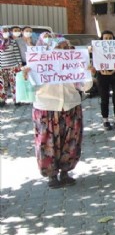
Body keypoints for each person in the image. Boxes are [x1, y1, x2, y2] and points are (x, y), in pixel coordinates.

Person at [23, 37, 93, 188]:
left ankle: (66, 172)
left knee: (71, 140)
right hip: (46, 108)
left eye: (66, 47)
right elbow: (31, 88)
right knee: (47, 142)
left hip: (71, 106)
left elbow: (85, 87)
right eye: (59, 48)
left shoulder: (75, 64)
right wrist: (26, 76)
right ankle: (51, 175)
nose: (64, 51)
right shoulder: (38, 64)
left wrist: (88, 73)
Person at [93, 31, 115, 131]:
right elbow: (95, 62)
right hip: (102, 76)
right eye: (106, 38)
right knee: (104, 99)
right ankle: (105, 121)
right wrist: (102, 71)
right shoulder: (97, 49)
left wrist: (112, 71)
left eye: (110, 38)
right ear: (102, 39)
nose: (108, 40)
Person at [0, 26, 23, 106]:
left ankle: (16, 100)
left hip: (13, 66)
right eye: (4, 31)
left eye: (7, 31)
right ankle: (2, 100)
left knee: (14, 84)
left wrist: (20, 64)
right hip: (2, 67)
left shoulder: (12, 42)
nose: (5, 33)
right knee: (2, 85)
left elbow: (17, 53)